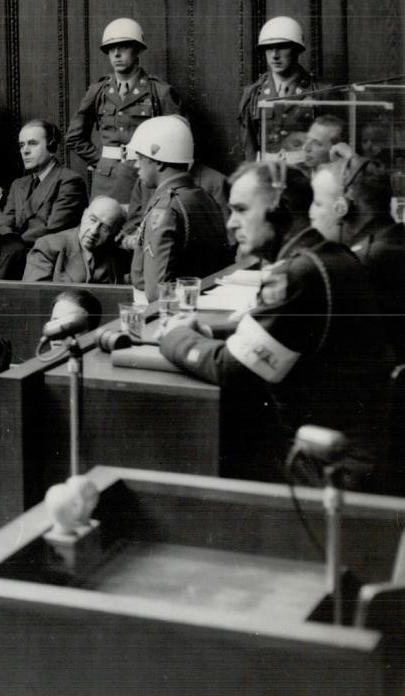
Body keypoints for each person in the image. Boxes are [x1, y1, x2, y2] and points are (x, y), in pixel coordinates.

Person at [159, 162, 390, 484]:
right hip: (356, 450)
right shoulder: (333, 256)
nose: (231, 223)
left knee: (185, 456)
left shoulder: (299, 274)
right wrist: (209, 332)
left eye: (241, 210)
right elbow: (288, 336)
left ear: (280, 212)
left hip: (325, 461)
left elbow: (230, 369)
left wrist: (176, 336)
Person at [66, 18, 183, 202]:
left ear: (137, 50)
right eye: (111, 49)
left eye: (124, 47)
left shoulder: (159, 91)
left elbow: (178, 141)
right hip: (106, 182)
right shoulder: (98, 91)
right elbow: (74, 137)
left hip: (145, 178)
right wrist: (102, 161)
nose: (116, 54)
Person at [308, 155, 405, 361]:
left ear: (343, 207)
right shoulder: (392, 240)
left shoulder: (364, 262)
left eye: (317, 203)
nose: (310, 213)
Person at [126, 115, 229, 303]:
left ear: (158, 160)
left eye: (140, 158)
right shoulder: (204, 197)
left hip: (160, 314)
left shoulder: (166, 209)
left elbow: (157, 293)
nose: (135, 165)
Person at [237, 17, 329, 160]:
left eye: (282, 47)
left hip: (306, 175)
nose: (274, 55)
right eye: (268, 48)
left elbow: (331, 145)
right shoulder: (253, 94)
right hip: (268, 175)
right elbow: (250, 148)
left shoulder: (322, 91)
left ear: (297, 49)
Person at [0, 120, 88, 245]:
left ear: (52, 147)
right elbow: (4, 224)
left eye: (33, 143)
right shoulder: (18, 185)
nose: (25, 151)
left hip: (49, 257)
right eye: (22, 145)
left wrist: (13, 245)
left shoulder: (70, 182)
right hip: (15, 253)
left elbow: (53, 229)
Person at [24, 196, 129, 284]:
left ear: (115, 232)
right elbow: (36, 297)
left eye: (104, 228)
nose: (93, 231)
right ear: (84, 215)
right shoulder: (47, 246)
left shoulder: (117, 254)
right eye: (92, 220)